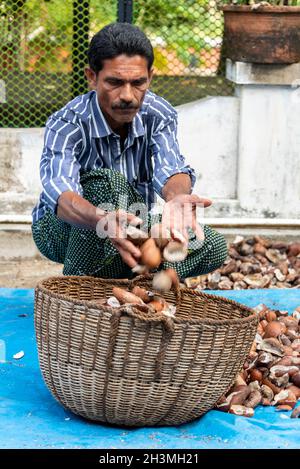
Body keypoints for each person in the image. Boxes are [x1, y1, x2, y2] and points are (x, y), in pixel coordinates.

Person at [31, 22, 227, 279]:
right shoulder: (67, 122)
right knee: (107, 183)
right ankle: (82, 295)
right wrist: (104, 221)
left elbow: (171, 167)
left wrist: (176, 199)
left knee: (211, 245)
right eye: (114, 82)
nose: (127, 95)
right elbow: (63, 196)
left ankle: (132, 280)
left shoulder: (159, 113)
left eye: (138, 83)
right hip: (63, 229)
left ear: (150, 77)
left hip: (132, 222)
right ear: (92, 77)